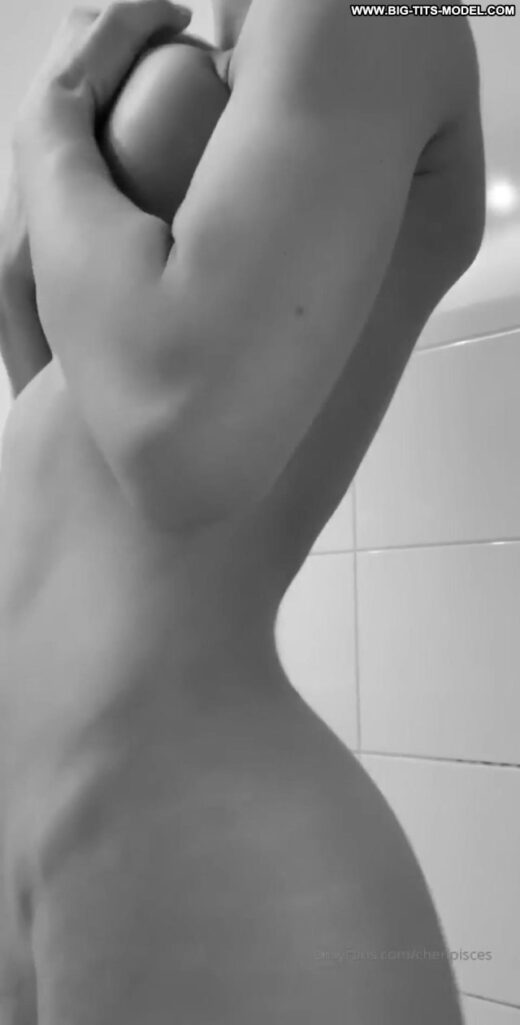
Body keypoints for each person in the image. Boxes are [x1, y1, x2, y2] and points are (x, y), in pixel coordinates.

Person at [0, 0, 485, 1022]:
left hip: (176, 802)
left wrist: (49, 127)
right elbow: (81, 411)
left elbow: (176, 436)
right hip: (44, 801)